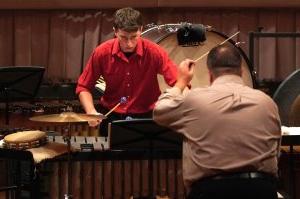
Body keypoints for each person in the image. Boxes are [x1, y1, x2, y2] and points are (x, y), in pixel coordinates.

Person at [153, 44, 281, 199]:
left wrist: (181, 82)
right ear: (241, 71)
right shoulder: (267, 102)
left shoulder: (195, 100)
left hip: (211, 191)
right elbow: (276, 150)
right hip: (262, 190)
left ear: (210, 74)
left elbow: (160, 111)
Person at [76, 7, 177, 134]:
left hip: (147, 117)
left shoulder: (155, 52)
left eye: (134, 37)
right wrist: (91, 111)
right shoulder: (102, 52)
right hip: (111, 116)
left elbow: (178, 82)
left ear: (141, 30)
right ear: (115, 31)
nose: (129, 43)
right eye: (123, 37)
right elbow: (83, 87)